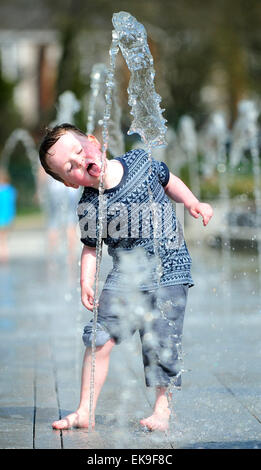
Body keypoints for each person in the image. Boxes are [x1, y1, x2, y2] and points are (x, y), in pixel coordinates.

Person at [39, 123, 213, 431]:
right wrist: (86, 280)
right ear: (68, 183)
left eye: (80, 152)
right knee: (97, 337)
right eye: (70, 168)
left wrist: (192, 202)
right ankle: (85, 409)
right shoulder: (89, 205)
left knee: (161, 338)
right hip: (127, 275)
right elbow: (90, 248)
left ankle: (162, 409)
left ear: (95, 143)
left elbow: (169, 180)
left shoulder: (139, 161)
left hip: (169, 267)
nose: (80, 162)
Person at [0, 168, 17, 263]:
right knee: (5, 239)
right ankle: (5, 255)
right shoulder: (11, 190)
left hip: (0, 218)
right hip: (8, 218)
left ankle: (2, 256)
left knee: (1, 239)